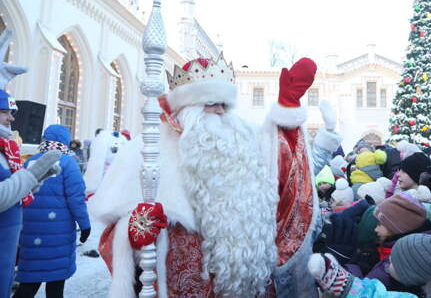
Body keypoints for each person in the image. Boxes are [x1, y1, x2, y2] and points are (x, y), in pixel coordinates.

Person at [90, 56, 342, 297]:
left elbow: (284, 180)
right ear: (187, 109)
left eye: (225, 104)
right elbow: (114, 233)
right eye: (211, 104)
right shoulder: (148, 149)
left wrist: (287, 112)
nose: (221, 112)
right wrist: (134, 231)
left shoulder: (243, 142)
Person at [0, 30, 62, 297]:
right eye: (5, 112)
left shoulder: (6, 147)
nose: (12, 119)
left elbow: (15, 190)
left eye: (12, 113)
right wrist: (32, 174)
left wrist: (38, 177)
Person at [14, 125, 90, 298]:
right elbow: (76, 198)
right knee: (55, 285)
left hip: (30, 232)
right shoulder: (68, 162)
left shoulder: (29, 161)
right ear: (65, 141)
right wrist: (85, 225)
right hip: (58, 233)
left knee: (29, 283)